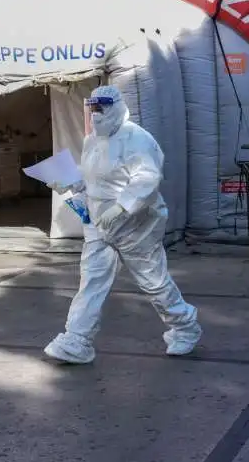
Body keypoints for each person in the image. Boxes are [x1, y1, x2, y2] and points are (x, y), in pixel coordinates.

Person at [44, 85, 202, 364]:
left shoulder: (138, 139)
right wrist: (67, 179)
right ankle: (77, 340)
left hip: (136, 226)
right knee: (92, 281)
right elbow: (93, 178)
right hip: (99, 224)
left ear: (116, 106)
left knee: (153, 281)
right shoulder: (93, 140)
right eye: (93, 108)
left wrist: (120, 208)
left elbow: (147, 180)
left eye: (102, 108)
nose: (97, 114)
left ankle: (185, 326)